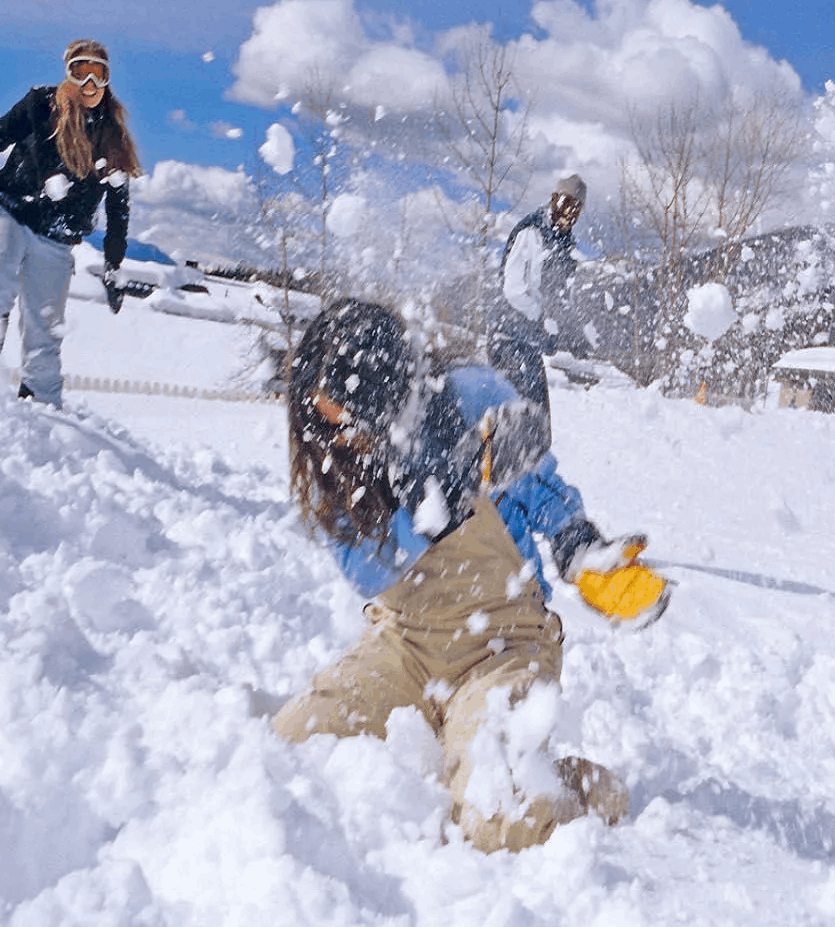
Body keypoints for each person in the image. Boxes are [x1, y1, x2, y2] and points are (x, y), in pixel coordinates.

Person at [273, 298, 666, 852]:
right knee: (293, 740)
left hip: (503, 644)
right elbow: (366, 571)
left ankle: (567, 785)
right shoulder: (331, 460)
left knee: (501, 823)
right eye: (323, 415)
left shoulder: (468, 399)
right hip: (406, 645)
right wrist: (431, 508)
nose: (335, 432)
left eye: (346, 416)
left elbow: (537, 482)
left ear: (385, 394)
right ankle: (456, 735)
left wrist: (579, 547)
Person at [0, 39, 142, 406]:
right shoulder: (41, 106)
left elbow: (118, 207)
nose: (89, 84)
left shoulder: (112, 137)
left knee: (45, 324)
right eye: (80, 71)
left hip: (58, 236)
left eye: (99, 73)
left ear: (107, 80)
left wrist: (113, 265)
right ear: (67, 74)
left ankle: (41, 405)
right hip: (12, 209)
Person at [488, 174, 587, 423]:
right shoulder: (532, 233)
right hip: (508, 339)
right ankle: (506, 458)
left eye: (576, 208)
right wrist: (541, 316)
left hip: (527, 342)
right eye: (566, 203)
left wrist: (567, 326)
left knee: (535, 419)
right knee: (526, 418)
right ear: (554, 200)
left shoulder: (563, 243)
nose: (569, 213)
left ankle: (521, 455)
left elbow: (558, 292)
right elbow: (514, 290)